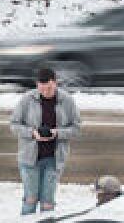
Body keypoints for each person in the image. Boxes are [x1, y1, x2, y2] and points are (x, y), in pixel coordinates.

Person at [9, 67, 81, 215]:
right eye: (41, 89)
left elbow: (76, 128)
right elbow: (14, 125)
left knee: (48, 202)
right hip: (29, 159)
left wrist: (57, 133)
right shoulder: (27, 99)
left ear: (55, 83)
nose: (45, 92)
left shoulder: (67, 101)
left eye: (48, 88)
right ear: (37, 85)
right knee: (31, 199)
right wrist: (32, 133)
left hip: (54, 159)